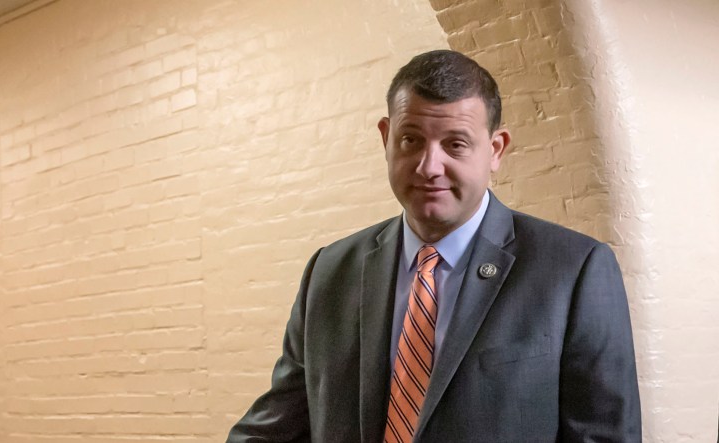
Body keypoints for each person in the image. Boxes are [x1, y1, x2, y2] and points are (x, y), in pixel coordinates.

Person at [227, 50, 641, 442]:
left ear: (495, 150)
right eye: (411, 140)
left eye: (455, 144)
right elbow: (276, 428)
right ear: (386, 138)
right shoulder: (329, 272)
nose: (429, 166)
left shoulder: (574, 270)